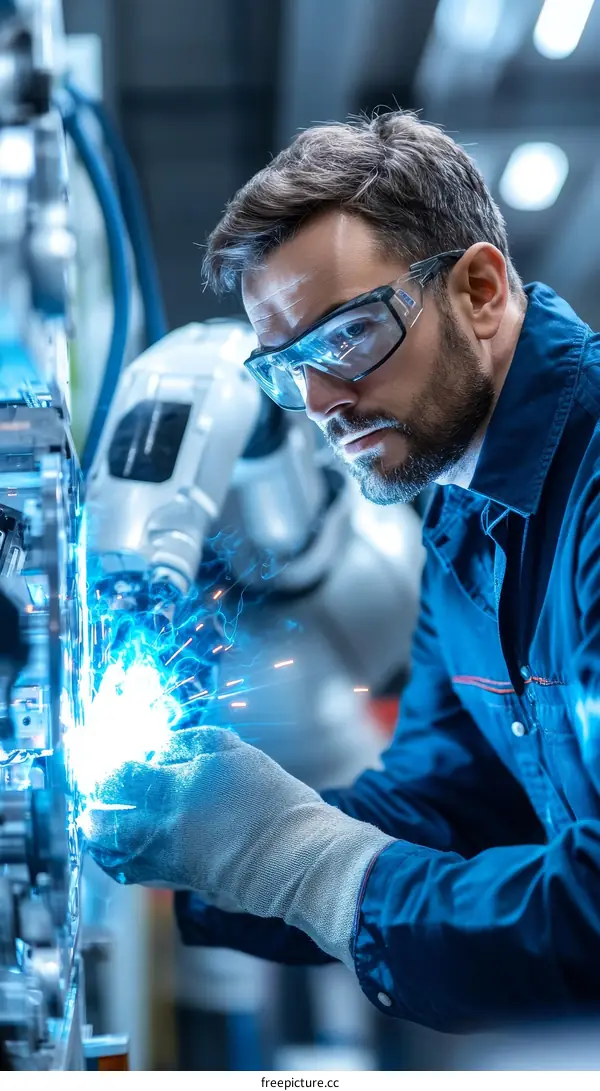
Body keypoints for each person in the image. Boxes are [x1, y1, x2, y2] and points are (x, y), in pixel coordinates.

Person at [86, 110, 600, 1032]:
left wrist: (297, 856)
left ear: (481, 289)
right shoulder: (461, 509)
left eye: (348, 336)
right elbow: (447, 804)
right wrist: (202, 836)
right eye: (287, 368)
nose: (320, 401)